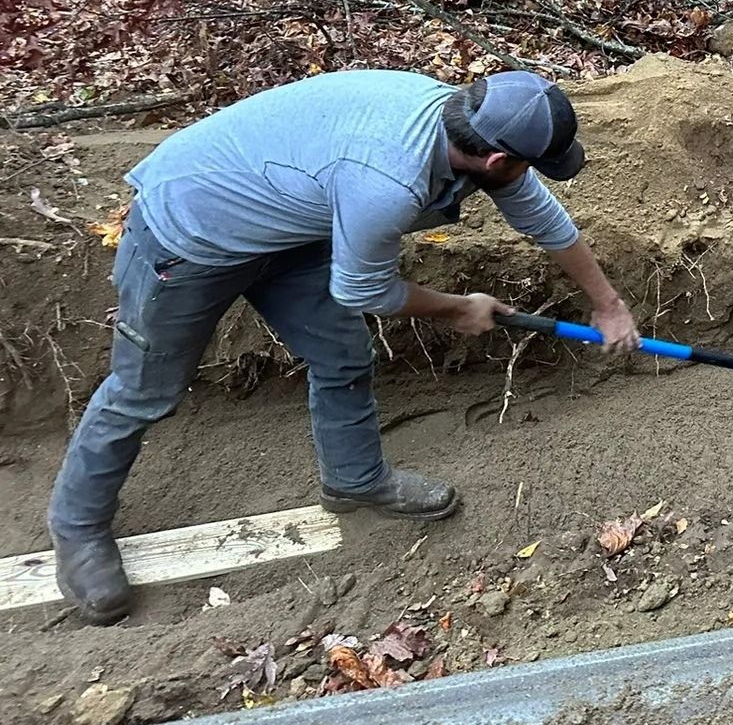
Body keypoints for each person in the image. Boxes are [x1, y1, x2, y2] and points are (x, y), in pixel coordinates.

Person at [46, 69, 640, 626]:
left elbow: (542, 218)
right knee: (145, 392)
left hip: (291, 227)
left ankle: (355, 479)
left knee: (342, 356)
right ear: (496, 158)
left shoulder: (466, 125)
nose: (528, 177)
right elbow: (362, 288)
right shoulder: (387, 181)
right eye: (527, 166)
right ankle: (77, 529)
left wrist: (608, 303)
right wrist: (459, 307)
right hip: (191, 234)